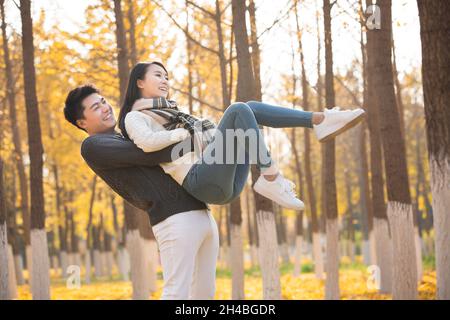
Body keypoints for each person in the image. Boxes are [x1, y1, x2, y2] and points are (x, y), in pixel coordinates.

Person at [118, 61, 365, 211]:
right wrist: (183, 134)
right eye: (158, 75)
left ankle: (319, 120)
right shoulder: (135, 117)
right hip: (200, 181)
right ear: (139, 82)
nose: (165, 81)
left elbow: (208, 137)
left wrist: (206, 133)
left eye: (167, 77)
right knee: (238, 109)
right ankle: (271, 176)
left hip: (225, 182)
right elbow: (148, 143)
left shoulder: (173, 112)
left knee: (249, 109)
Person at [64, 84, 218, 300]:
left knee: (204, 296)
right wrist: (196, 138)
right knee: (177, 294)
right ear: (82, 122)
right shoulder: (93, 146)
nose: (105, 108)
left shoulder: (128, 134)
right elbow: (150, 154)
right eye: (96, 107)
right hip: (175, 220)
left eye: (103, 101)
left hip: (202, 213)